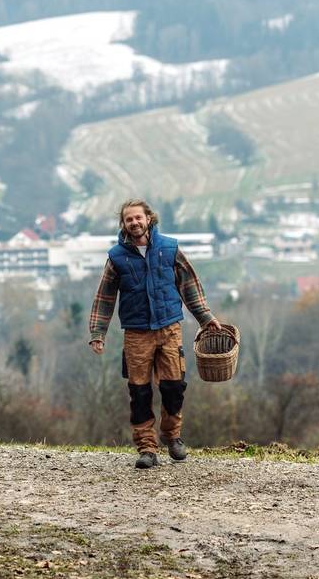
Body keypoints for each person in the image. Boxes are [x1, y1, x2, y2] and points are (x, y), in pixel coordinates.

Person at [88, 199, 222, 469]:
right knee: (139, 393)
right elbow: (105, 297)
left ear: (149, 219)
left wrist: (205, 318)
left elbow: (190, 286)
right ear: (123, 225)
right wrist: (98, 332)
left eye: (139, 217)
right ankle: (147, 448)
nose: (134, 223)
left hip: (169, 327)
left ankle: (172, 437)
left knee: (174, 387)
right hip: (136, 333)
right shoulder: (116, 257)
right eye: (129, 220)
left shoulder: (169, 248)